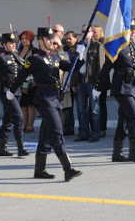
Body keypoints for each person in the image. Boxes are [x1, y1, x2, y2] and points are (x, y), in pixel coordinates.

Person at [9, 27, 83, 181]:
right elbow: (21, 75)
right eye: (49, 39)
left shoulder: (55, 58)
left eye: (53, 39)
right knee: (57, 132)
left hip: (55, 98)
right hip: (44, 99)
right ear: (40, 40)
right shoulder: (34, 59)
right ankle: (68, 169)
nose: (52, 41)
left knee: (46, 135)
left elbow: (71, 68)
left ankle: (39, 169)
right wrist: (11, 91)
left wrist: (79, 55)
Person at [95, 35, 135, 163]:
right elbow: (107, 67)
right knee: (134, 116)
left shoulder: (132, 45)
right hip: (121, 87)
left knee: (123, 120)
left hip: (132, 86)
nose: (134, 33)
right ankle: (133, 153)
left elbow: (134, 65)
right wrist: (97, 86)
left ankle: (117, 153)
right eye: (131, 30)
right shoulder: (117, 47)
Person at [0, 32, 28, 157]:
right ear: (4, 44)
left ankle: (2, 148)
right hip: (6, 91)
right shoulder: (1, 58)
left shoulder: (16, 57)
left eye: (15, 43)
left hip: (17, 91)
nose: (13, 45)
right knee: (19, 117)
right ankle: (21, 147)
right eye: (11, 43)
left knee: (8, 120)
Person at [72, 27, 103, 142]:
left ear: (92, 33)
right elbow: (74, 66)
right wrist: (73, 83)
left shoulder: (97, 46)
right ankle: (83, 133)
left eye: (87, 31)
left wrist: (98, 84)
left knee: (94, 109)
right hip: (80, 80)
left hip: (92, 81)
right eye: (83, 31)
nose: (85, 33)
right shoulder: (79, 45)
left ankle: (95, 134)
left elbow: (100, 66)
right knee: (81, 109)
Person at [17, 30, 37, 133]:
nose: (24, 40)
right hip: (21, 80)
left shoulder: (34, 51)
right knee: (23, 104)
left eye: (26, 38)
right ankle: (24, 123)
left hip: (31, 80)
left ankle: (30, 125)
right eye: (22, 38)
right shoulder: (18, 51)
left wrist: (34, 81)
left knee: (30, 104)